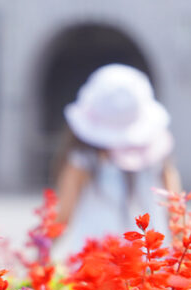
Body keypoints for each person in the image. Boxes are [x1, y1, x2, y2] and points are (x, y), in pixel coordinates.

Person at [53, 64, 182, 258]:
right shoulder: (156, 154)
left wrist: (40, 253)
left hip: (96, 262)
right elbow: (176, 211)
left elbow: (63, 216)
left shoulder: (83, 160)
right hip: (149, 261)